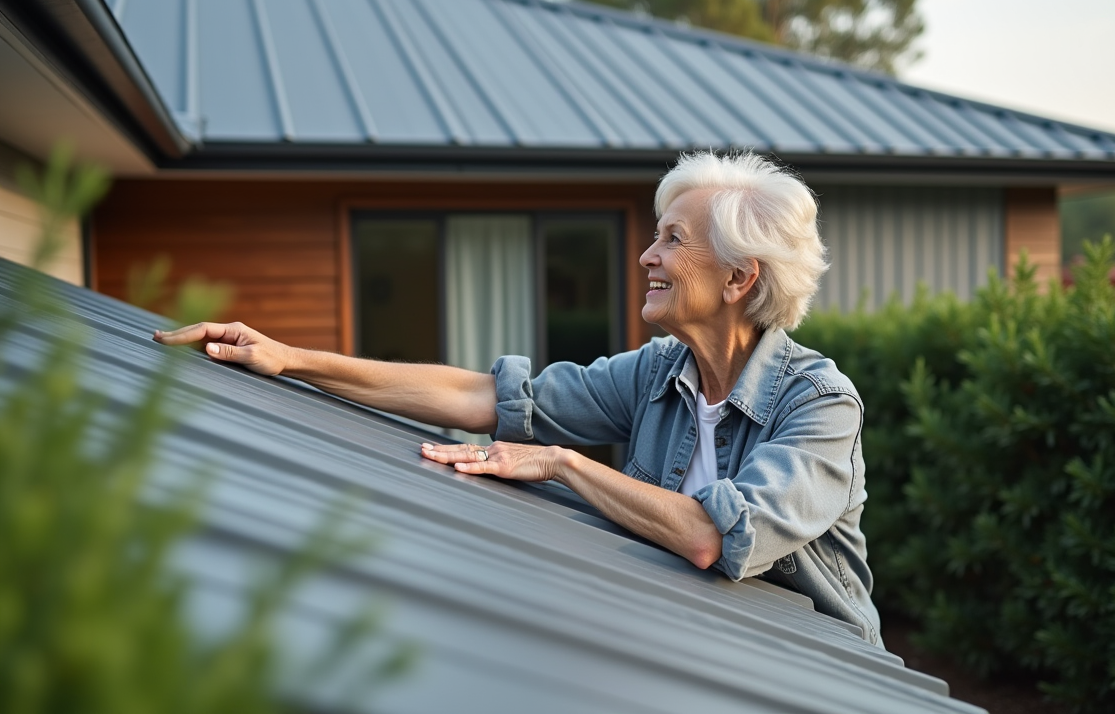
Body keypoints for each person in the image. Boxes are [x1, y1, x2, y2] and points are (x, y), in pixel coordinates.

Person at [153, 151, 881, 644]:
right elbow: (485, 397)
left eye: (672, 239)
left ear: (739, 278)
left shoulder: (819, 405)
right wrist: (290, 358)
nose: (646, 256)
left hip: (818, 672)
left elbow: (711, 536)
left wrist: (563, 463)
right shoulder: (661, 372)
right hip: (698, 642)